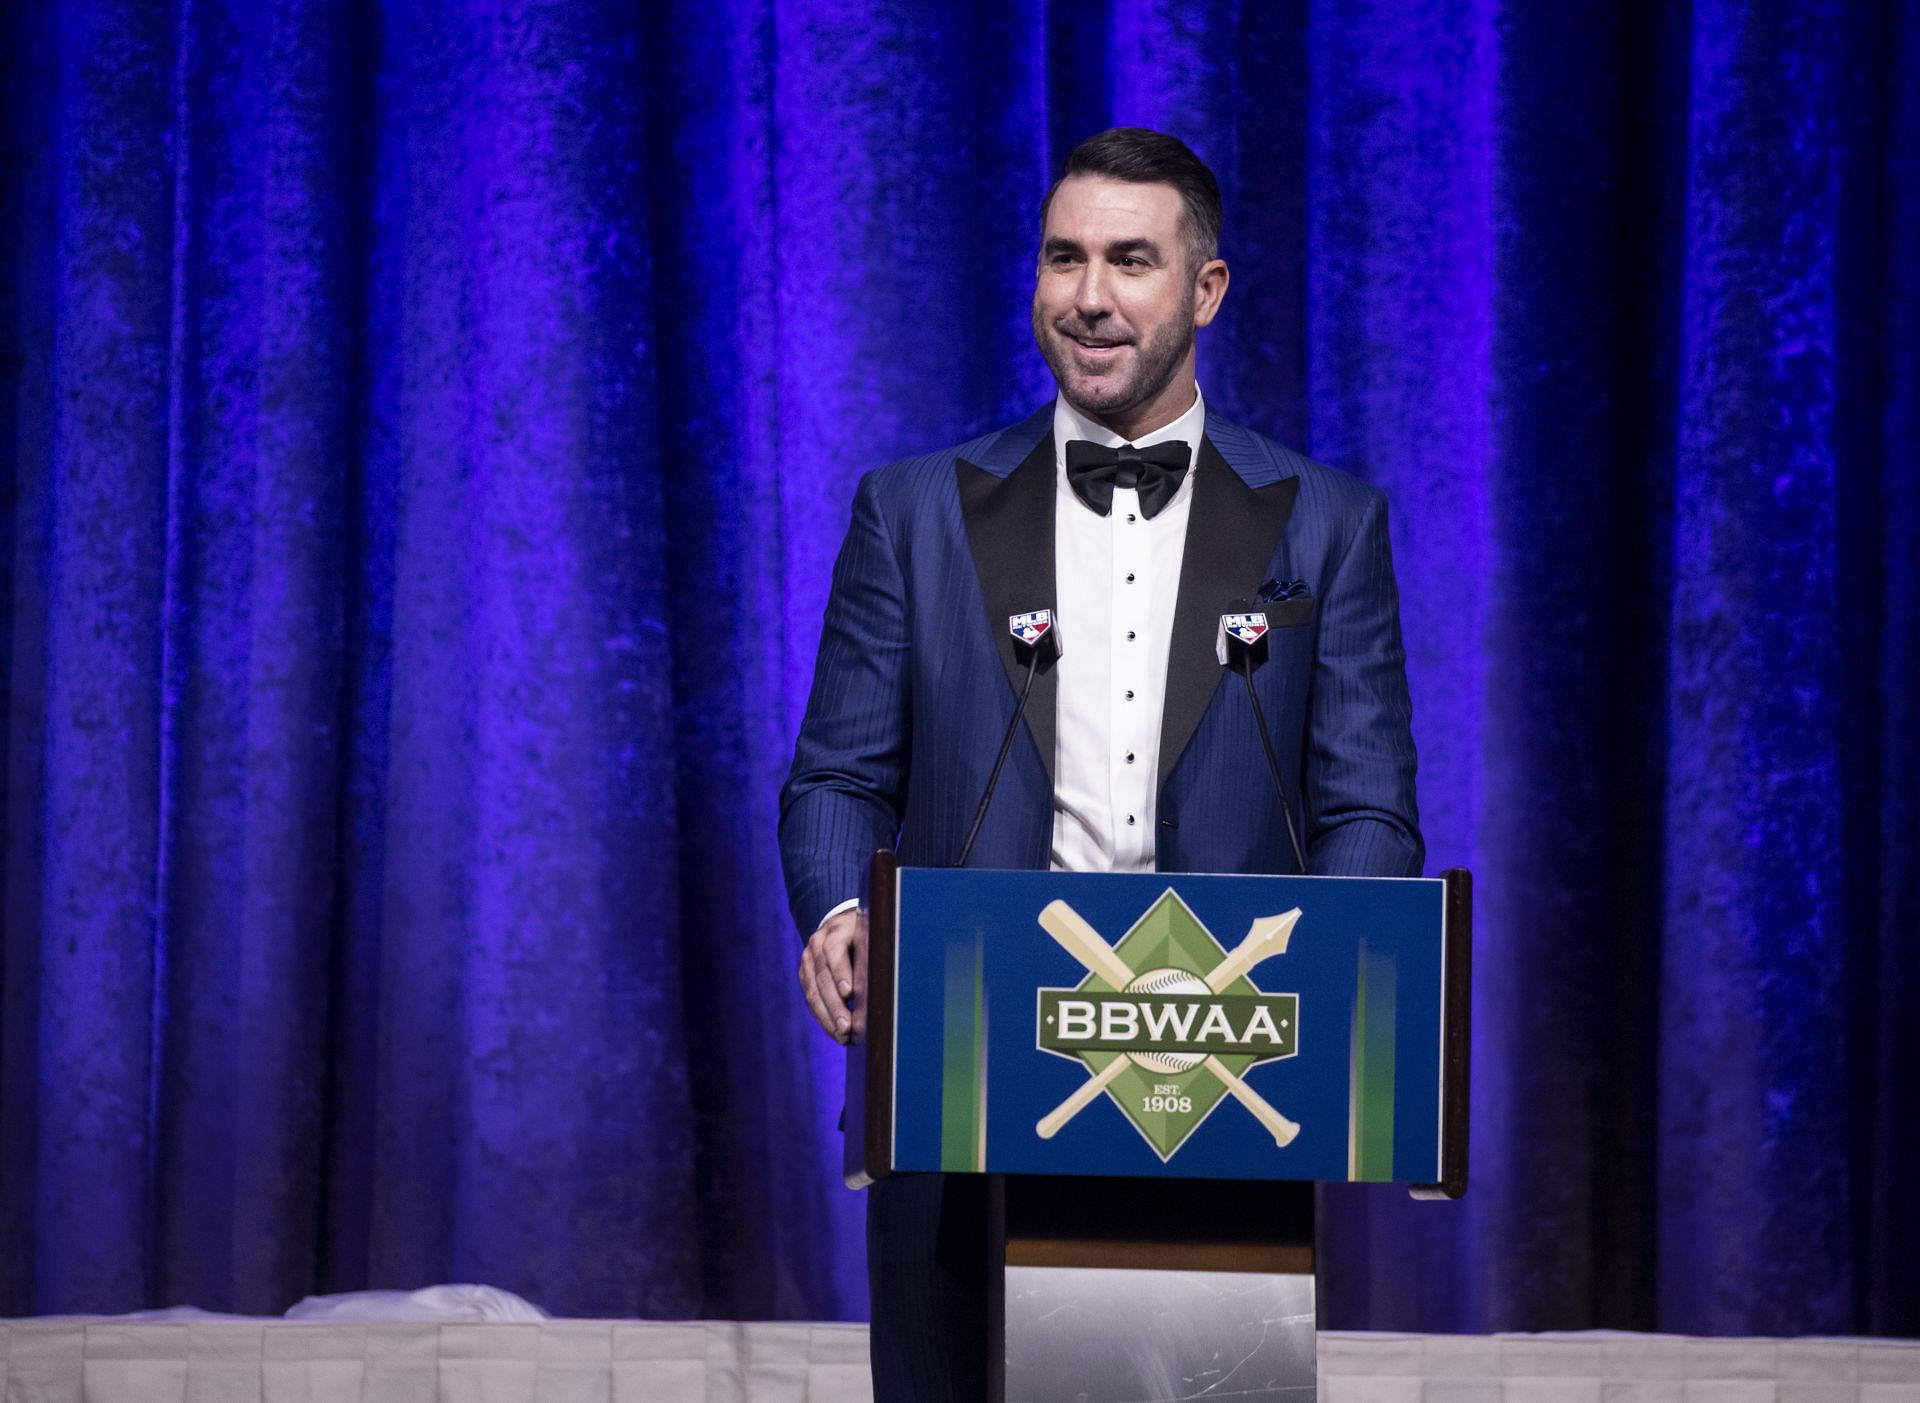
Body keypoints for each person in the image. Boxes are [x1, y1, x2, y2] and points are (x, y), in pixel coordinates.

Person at [778, 126, 1422, 1402]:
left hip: (1224, 1082)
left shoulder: (1327, 523)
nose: (1089, 296)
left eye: (1132, 259)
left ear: (1206, 287)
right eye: (1064, 257)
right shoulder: (911, 512)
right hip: (956, 1082)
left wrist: (1336, 980)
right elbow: (838, 776)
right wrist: (847, 909)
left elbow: (1367, 809)